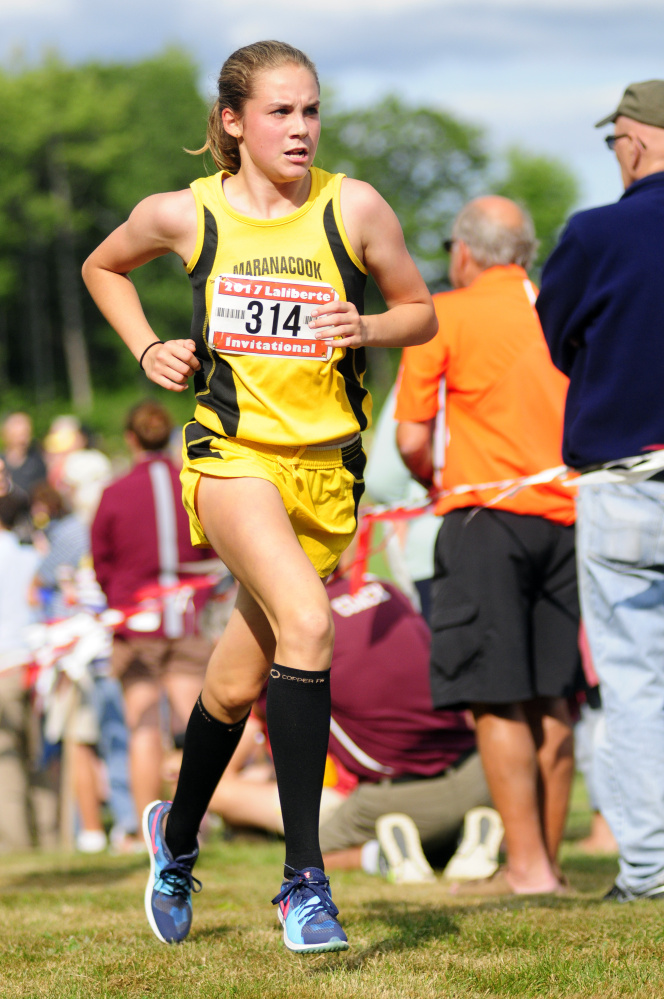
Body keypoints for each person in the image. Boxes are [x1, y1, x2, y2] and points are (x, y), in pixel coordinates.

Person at [81, 40, 436, 952]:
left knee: (236, 683)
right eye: (281, 111)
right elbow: (102, 267)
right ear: (234, 121)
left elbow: (421, 312)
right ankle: (304, 882)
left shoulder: (350, 206)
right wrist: (148, 347)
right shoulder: (186, 213)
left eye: (311, 110)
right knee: (311, 626)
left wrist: (368, 323)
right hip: (233, 459)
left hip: (328, 476)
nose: (301, 129)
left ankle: (176, 841)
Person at [395, 196, 581, 896]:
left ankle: (527, 869)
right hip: (567, 519)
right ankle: (547, 864)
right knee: (553, 695)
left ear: (465, 253)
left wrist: (431, 481)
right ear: (527, 252)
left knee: (497, 697)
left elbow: (412, 437)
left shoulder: (448, 312)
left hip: (484, 516)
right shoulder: (559, 307)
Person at [535, 80, 664, 902]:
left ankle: (650, 868)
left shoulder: (596, 232)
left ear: (636, 139)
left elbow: (557, 337)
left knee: (633, 681)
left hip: (627, 481)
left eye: (613, 142)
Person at [203, 573, 492, 882]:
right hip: (482, 774)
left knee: (304, 854)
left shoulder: (286, 638)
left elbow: (219, 765)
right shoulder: (380, 586)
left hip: (399, 798)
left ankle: (379, 855)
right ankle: (463, 839)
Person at [91, 402, 212, 825]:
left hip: (135, 624)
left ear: (130, 438)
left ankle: (149, 828)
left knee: (143, 727)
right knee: (201, 729)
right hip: (188, 618)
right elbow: (212, 548)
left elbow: (101, 561)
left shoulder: (115, 491)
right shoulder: (192, 483)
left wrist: (119, 602)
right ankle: (194, 827)